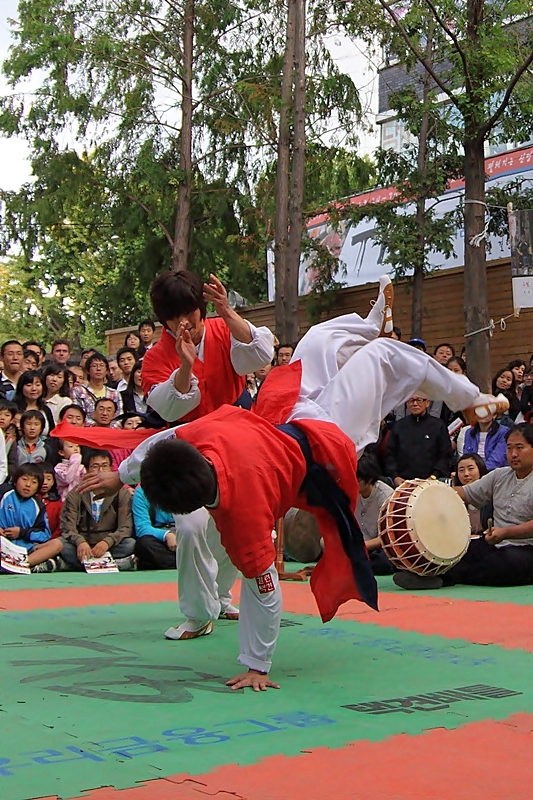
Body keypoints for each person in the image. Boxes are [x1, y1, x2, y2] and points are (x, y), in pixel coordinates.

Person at [55, 277, 507, 686]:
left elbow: (167, 441)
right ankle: (472, 400)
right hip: (323, 448)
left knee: (316, 341)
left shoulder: (222, 467)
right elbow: (264, 590)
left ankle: (372, 324)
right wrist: (257, 663)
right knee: (385, 359)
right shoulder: (228, 474)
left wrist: (118, 474)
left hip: (285, 413)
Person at [394, 424, 533, 589]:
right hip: (495, 543)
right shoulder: (500, 475)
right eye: (509, 448)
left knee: (505, 563)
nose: (513, 454)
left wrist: (505, 533)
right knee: (460, 551)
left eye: (519, 448)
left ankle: (446, 578)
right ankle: (434, 577)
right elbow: (464, 493)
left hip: (526, 548)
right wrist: (425, 491)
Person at [59, 449, 135, 571]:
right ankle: (116, 564)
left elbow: (125, 528)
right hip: (83, 544)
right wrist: (80, 542)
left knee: (130, 544)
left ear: (111, 469)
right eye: (95, 467)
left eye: (104, 466)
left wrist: (107, 542)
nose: (100, 471)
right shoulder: (75, 494)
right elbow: (68, 527)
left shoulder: (122, 494)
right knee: (61, 545)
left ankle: (74, 565)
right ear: (87, 470)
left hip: (109, 544)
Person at [0, 463, 62, 572]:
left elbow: (45, 534)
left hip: (25, 549)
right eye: (24, 479)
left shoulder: (38, 505)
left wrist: (22, 533)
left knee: (57, 544)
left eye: (34, 482)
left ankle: (21, 565)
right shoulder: (4, 493)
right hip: (3, 543)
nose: (28, 485)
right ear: (15, 480)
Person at [384, 392, 453, 485]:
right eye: (411, 401)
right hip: (403, 482)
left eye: (419, 400)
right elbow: (390, 454)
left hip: (431, 482)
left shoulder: (438, 426)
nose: (415, 404)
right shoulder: (399, 426)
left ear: (427, 403)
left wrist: (434, 476)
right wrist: (395, 476)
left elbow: (445, 455)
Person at [355, 454, 394, 575]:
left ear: (369, 479)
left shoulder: (386, 496)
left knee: (383, 562)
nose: (353, 482)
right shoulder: (351, 492)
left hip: (379, 547)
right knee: (325, 542)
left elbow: (389, 538)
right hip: (360, 544)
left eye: (358, 479)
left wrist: (361, 546)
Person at [133, 485, 177, 570]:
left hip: (183, 533)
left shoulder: (184, 487)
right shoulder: (141, 492)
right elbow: (142, 528)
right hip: (159, 537)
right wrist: (167, 535)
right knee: (144, 543)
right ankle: (182, 562)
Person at [71, 352, 122, 421]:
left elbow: (119, 418)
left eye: (102, 366)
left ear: (106, 371)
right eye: (94, 366)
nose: (98, 369)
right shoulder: (78, 391)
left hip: (111, 430)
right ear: (88, 371)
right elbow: (78, 416)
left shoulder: (115, 393)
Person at [454, 452, 488, 536]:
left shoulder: (491, 496)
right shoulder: (453, 499)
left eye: (471, 469)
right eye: (461, 470)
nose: (466, 474)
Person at [14, 371, 55, 436]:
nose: (34, 388)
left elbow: (52, 433)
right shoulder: (14, 408)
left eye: (38, 385)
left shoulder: (45, 410)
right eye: (29, 385)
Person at [38, 463, 63, 538]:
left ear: (53, 482)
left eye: (49, 479)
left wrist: (51, 540)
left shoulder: (58, 503)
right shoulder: (29, 500)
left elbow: (60, 527)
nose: (45, 482)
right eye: (42, 478)